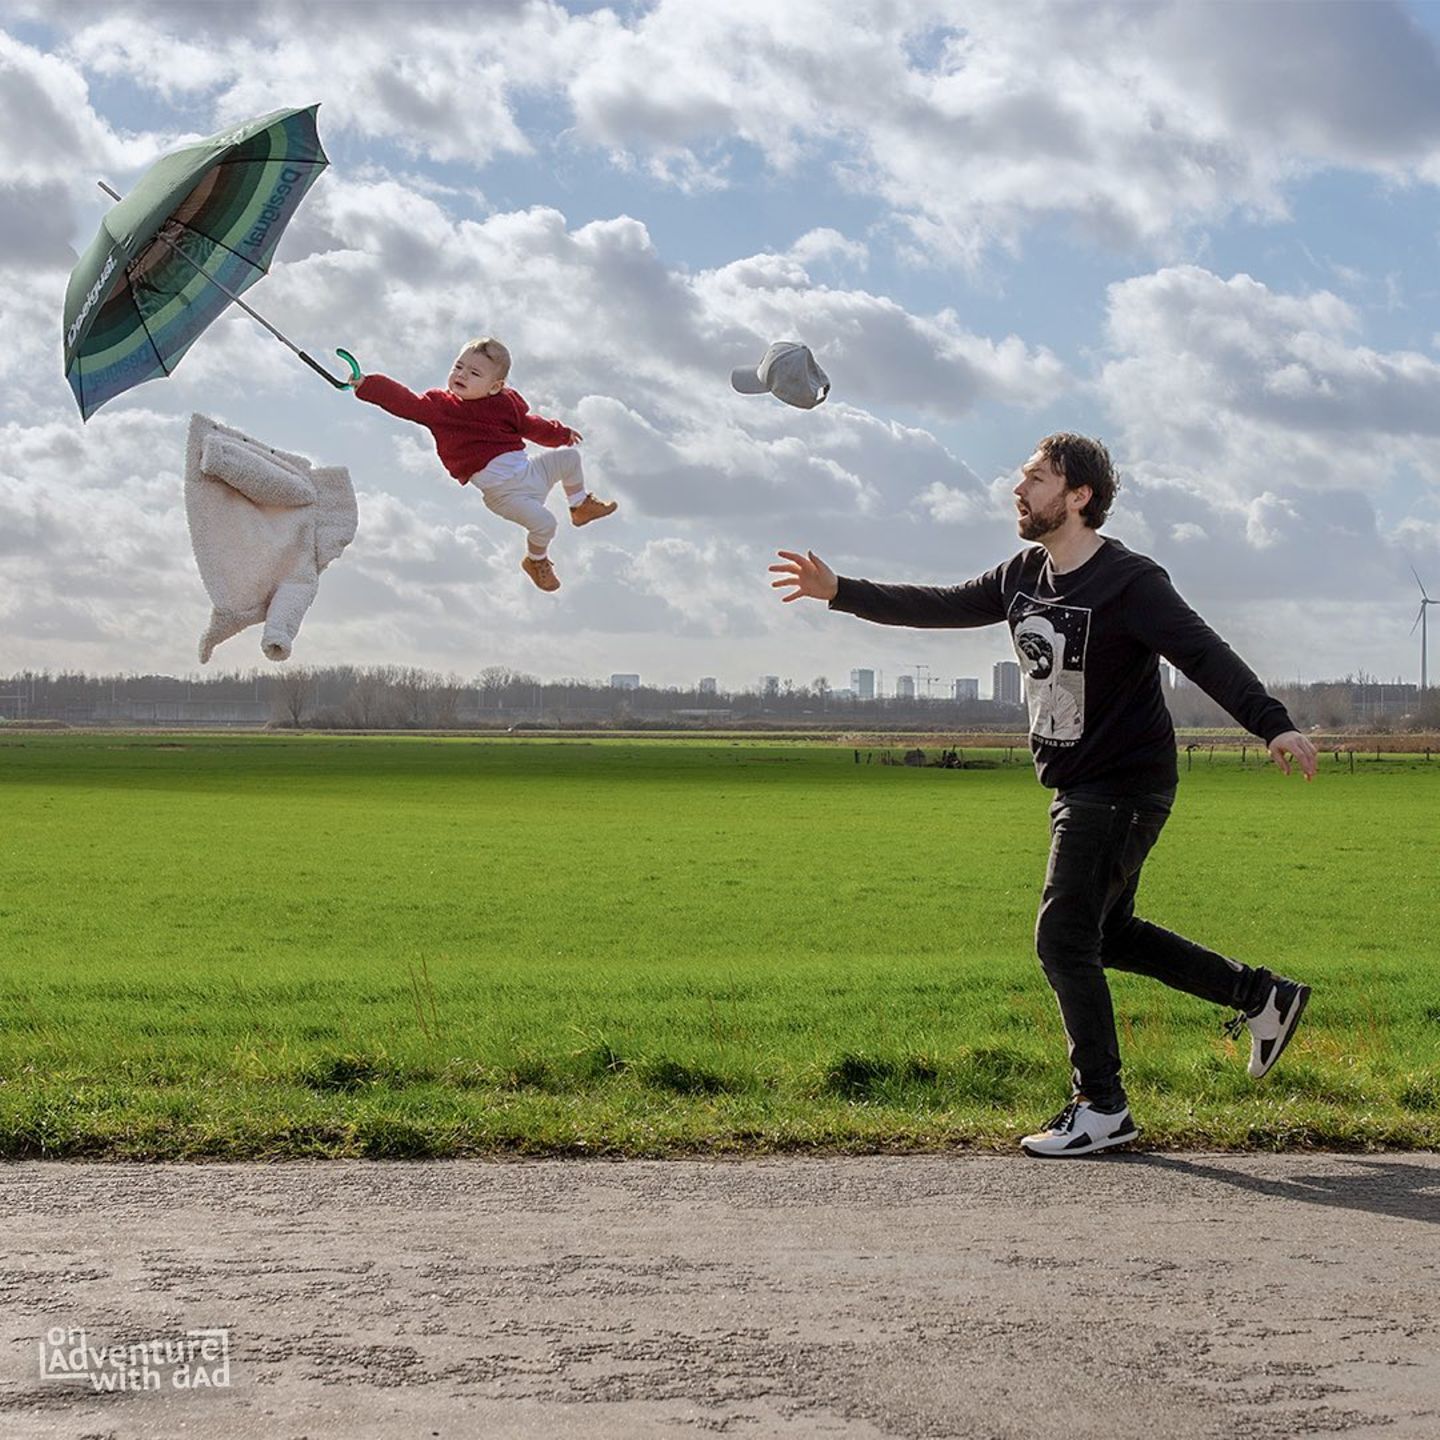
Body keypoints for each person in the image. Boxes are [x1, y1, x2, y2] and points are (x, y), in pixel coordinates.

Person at [770, 433, 1319, 1158]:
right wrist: (842, 592)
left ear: (1078, 496)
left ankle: (1103, 1106)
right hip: (1078, 785)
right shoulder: (1024, 573)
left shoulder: (1129, 582)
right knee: (1107, 934)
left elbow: (1203, 653)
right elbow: (941, 604)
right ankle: (1261, 996)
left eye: (1035, 477)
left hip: (1123, 785)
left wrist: (1272, 725)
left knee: (1061, 937)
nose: (1017, 488)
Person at [353, 337, 616, 592]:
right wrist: (368, 385)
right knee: (546, 523)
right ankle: (536, 561)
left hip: (529, 474)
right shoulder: (441, 408)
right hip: (505, 494)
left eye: (474, 373)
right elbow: (406, 402)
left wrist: (561, 434)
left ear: (494, 386)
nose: (462, 375)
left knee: (570, 458)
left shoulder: (505, 404)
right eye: (458, 367)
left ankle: (579, 505)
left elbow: (531, 425)